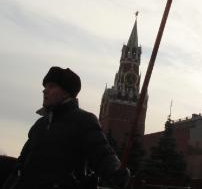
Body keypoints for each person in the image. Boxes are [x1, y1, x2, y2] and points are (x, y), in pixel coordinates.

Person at [2, 67, 130, 189]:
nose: (45, 90)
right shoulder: (39, 125)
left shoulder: (84, 120)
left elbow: (103, 154)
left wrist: (116, 170)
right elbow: (21, 163)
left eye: (52, 86)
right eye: (45, 86)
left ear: (66, 92)